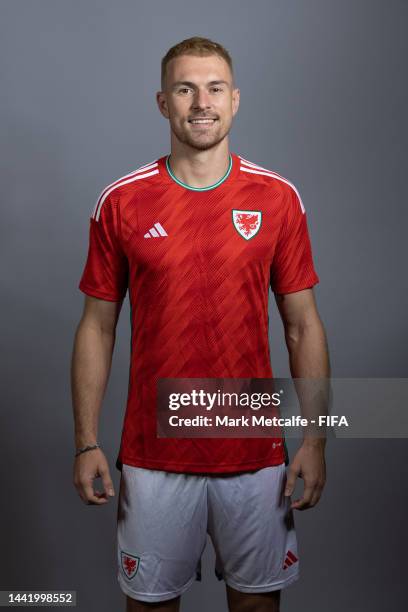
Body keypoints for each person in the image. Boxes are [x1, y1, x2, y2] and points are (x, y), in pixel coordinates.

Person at [71, 36, 330, 612]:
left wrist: (313, 438)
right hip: (153, 457)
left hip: (255, 454)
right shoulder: (122, 201)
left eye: (214, 88)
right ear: (163, 102)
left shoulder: (278, 198)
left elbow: (302, 327)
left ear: (235, 100)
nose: (201, 103)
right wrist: (86, 440)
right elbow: (97, 327)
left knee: (258, 606)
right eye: (185, 89)